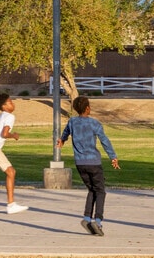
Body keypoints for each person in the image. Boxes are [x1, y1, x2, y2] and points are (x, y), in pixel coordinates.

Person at [56, 96, 120, 236]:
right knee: (100, 191)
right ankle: (97, 221)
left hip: (80, 163)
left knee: (91, 190)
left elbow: (66, 132)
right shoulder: (94, 124)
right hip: (94, 163)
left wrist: (62, 140)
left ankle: (86, 218)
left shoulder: (72, 121)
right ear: (87, 108)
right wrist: (113, 157)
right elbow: (105, 141)